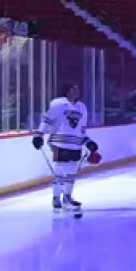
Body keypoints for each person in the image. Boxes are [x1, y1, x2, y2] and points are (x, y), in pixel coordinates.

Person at [33, 83, 95, 216]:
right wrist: (39, 135)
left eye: (77, 89)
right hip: (59, 143)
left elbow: (81, 129)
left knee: (71, 172)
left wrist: (88, 142)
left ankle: (67, 196)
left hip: (75, 145)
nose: (77, 91)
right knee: (59, 171)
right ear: (67, 91)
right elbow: (47, 120)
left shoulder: (82, 107)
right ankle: (56, 198)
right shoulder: (58, 104)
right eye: (73, 88)